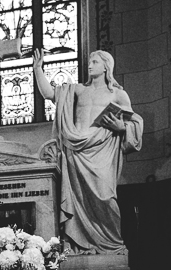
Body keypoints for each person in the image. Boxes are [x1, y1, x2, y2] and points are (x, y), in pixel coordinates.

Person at [34, 49, 143, 255]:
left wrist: (122, 127)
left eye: (94, 62)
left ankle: (111, 244)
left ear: (106, 67)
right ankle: (79, 244)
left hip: (102, 152)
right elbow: (49, 94)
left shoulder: (118, 94)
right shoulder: (78, 90)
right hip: (76, 151)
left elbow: (134, 123)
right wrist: (38, 69)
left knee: (105, 197)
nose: (90, 65)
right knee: (78, 202)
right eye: (90, 61)